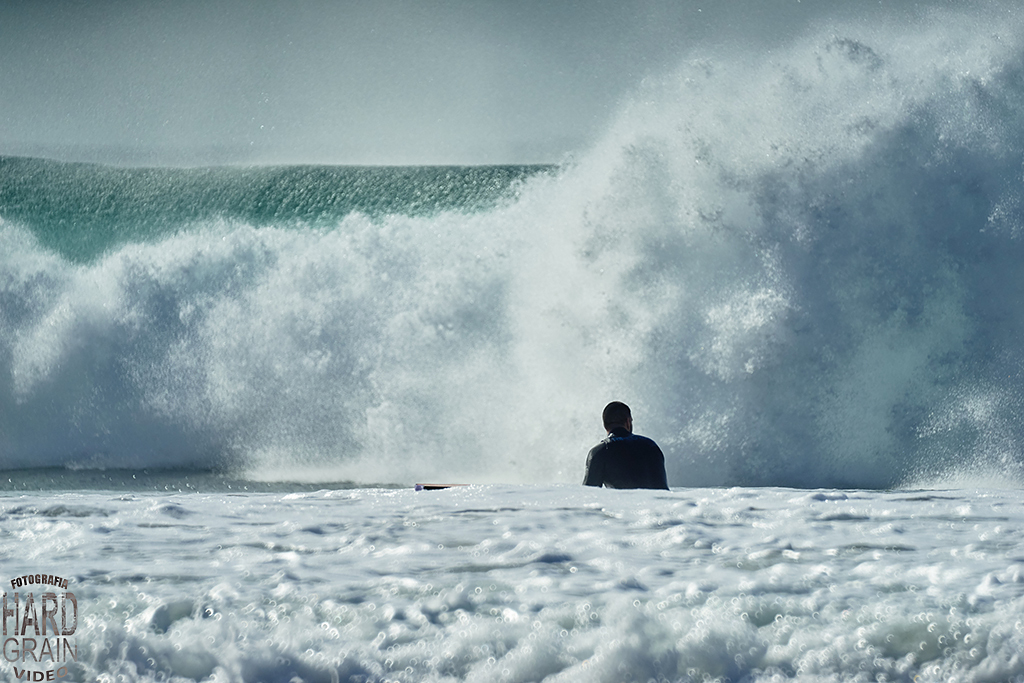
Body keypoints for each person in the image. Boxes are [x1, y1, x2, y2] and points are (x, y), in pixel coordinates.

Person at [583, 401, 669, 490]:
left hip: (624, 503)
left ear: (604, 425)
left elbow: (588, 495)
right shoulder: (651, 446)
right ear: (628, 421)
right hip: (659, 503)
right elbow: (663, 490)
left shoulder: (600, 451)